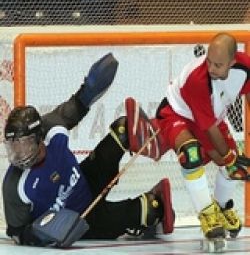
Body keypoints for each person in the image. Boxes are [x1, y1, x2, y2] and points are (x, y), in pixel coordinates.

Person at [2, 53, 174, 247]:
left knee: (123, 129)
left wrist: (92, 85)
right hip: (81, 221)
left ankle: (159, 145)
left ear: (39, 137)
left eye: (24, 145)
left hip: (87, 180)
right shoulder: (14, 186)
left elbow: (79, 102)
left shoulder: (52, 127)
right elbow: (17, 233)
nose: (19, 155)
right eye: (13, 147)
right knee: (152, 209)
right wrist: (44, 235)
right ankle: (145, 219)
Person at [152, 32, 250, 240]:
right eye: (209, 62)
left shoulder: (244, 68)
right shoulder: (198, 79)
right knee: (192, 154)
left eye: (218, 65)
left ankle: (222, 207)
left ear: (232, 62)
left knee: (235, 163)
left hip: (211, 117)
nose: (211, 69)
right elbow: (208, 130)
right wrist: (228, 159)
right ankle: (207, 212)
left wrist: (231, 159)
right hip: (177, 113)